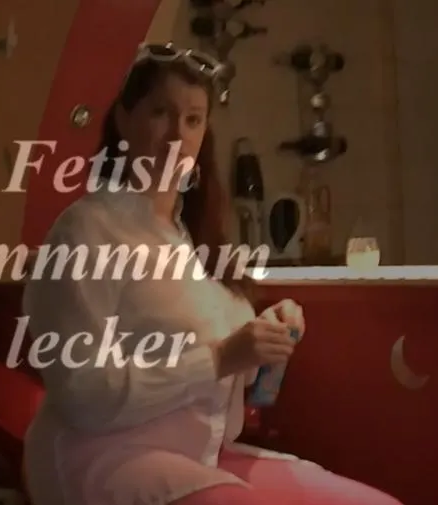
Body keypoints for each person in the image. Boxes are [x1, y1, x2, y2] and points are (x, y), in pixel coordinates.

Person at [21, 42, 402, 505]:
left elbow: (234, 386)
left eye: (193, 120)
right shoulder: (85, 231)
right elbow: (83, 394)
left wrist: (264, 341)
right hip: (102, 457)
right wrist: (220, 358)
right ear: (123, 119)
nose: (176, 136)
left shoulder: (192, 239)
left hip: (199, 456)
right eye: (160, 113)